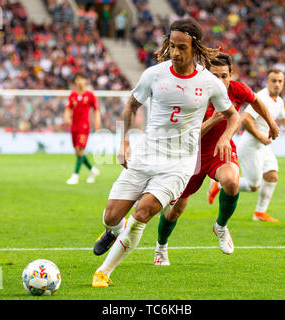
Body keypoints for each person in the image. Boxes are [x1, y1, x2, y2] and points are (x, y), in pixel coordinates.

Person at [91, 18, 241, 288]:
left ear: (194, 48)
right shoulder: (154, 74)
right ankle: (113, 231)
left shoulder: (209, 83)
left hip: (179, 164)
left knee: (143, 213)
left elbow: (233, 116)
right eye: (171, 46)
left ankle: (103, 272)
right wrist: (123, 142)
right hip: (146, 155)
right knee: (111, 216)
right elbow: (131, 107)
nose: (175, 52)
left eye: (181, 47)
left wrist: (227, 138)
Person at [154, 53, 279, 265]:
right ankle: (161, 247)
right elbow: (186, 135)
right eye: (215, 76)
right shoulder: (193, 92)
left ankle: (220, 226)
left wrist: (271, 123)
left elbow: (256, 102)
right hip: (190, 156)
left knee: (231, 181)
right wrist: (212, 122)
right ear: (205, 74)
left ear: (231, 75)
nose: (219, 81)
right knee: (176, 210)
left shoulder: (237, 89)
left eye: (224, 76)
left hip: (220, 151)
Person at [210, 68, 285, 222]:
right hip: (251, 144)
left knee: (272, 175)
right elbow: (246, 119)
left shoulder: (279, 101)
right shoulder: (262, 97)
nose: (277, 84)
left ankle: (260, 213)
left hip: (263, 146)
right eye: (273, 81)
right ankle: (219, 185)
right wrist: (261, 136)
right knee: (253, 185)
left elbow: (284, 120)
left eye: (280, 81)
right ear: (267, 82)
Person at [64, 71, 102, 185]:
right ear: (75, 81)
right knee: (77, 151)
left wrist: (97, 120)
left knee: (80, 149)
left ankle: (75, 176)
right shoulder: (72, 95)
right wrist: (66, 117)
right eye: (78, 79)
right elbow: (68, 108)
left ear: (85, 81)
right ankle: (92, 170)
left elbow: (96, 109)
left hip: (84, 126)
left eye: (82, 78)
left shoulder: (90, 95)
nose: (80, 81)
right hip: (74, 126)